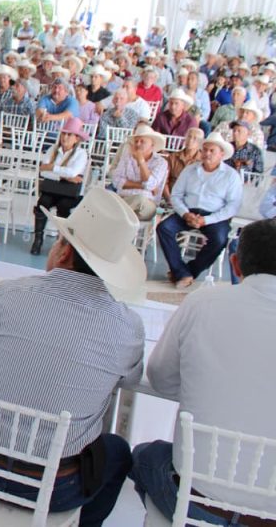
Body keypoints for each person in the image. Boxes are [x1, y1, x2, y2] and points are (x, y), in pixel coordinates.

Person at [0, 188, 146, 527]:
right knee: (118, 452)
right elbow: (127, 381)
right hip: (56, 487)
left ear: (65, 251)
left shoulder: (10, 293)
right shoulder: (128, 326)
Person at [130, 218, 276, 524]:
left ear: (234, 265)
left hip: (194, 502)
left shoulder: (204, 302)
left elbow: (160, 379)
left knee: (145, 456)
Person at [157, 132, 243, 288]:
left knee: (219, 239)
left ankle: (187, 271)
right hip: (188, 211)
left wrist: (206, 220)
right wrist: (185, 213)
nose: (207, 154)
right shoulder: (190, 169)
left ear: (221, 154)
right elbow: (176, 195)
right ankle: (181, 272)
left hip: (214, 216)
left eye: (212, 151)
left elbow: (233, 206)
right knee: (164, 228)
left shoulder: (231, 176)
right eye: (205, 150)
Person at [30, 117, 90, 255]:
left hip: (69, 192)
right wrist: (64, 176)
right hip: (52, 188)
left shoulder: (81, 154)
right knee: (42, 204)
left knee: (64, 207)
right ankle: (37, 240)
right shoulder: (53, 149)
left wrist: (52, 168)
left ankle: (61, 243)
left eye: (70, 134)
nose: (65, 137)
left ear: (76, 138)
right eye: (64, 133)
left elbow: (73, 172)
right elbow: (44, 172)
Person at [111, 125, 169, 220]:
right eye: (136, 141)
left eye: (142, 141)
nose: (138, 144)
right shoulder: (127, 157)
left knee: (139, 199)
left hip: (147, 204)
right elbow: (116, 181)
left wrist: (141, 161)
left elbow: (150, 184)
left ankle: (112, 215)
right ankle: (116, 218)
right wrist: (142, 186)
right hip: (123, 199)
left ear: (152, 145)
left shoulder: (161, 162)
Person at [163, 127, 203, 201]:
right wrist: (169, 199)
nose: (190, 140)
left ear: (200, 142)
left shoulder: (203, 161)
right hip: (171, 196)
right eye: (189, 136)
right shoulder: (173, 157)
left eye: (195, 138)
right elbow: (164, 181)